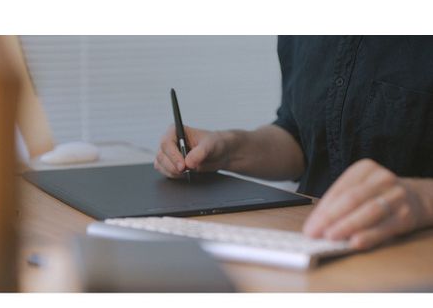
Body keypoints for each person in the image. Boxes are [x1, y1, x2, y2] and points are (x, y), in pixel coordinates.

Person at [155, 36, 433, 250]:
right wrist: (228, 148)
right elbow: (300, 137)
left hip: (409, 253)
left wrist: (421, 199)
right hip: (313, 242)